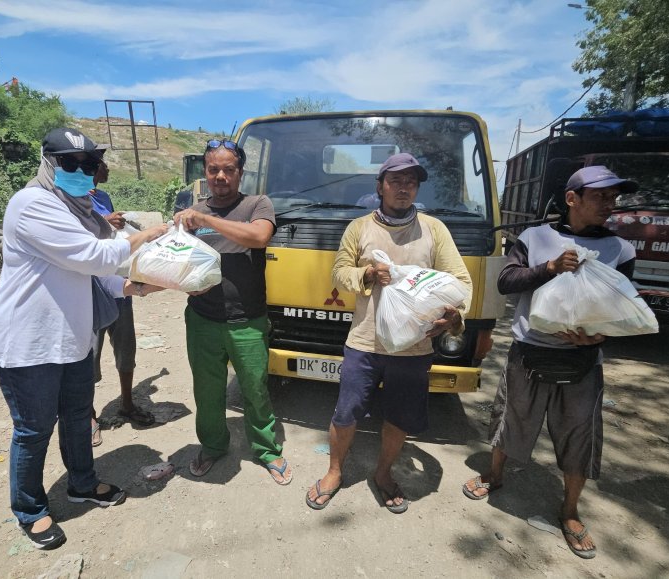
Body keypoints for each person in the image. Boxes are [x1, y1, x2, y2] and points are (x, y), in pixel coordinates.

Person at [0, 127, 166, 550]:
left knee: (75, 420)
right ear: (49, 163)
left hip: (73, 339)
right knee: (33, 430)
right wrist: (143, 237)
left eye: (87, 164)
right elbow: (92, 255)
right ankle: (30, 510)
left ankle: (81, 484)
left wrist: (154, 284)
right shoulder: (33, 204)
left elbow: (102, 276)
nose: (81, 171)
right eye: (71, 163)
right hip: (29, 344)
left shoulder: (80, 208)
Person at [462, 166, 638, 559]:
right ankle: (494, 474)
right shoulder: (536, 237)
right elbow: (507, 282)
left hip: (583, 361)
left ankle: (570, 511)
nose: (609, 204)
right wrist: (550, 268)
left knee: (580, 434)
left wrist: (601, 336)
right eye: (600, 196)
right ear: (572, 198)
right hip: (530, 350)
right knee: (511, 417)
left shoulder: (620, 250)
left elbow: (625, 307)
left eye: (613, 197)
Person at [306, 153, 472, 513]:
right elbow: (339, 273)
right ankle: (335, 471)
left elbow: (460, 281)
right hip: (365, 342)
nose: (403, 187)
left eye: (411, 181)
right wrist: (366, 275)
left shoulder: (434, 229)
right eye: (395, 181)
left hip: (415, 347)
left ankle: (383, 474)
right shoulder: (360, 228)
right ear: (380, 186)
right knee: (346, 413)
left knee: (398, 418)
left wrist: (456, 314)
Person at [173, 139, 292, 484]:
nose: (220, 176)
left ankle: (267, 449)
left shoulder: (257, 204)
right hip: (202, 318)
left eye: (228, 169)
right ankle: (212, 446)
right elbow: (178, 259)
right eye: (213, 169)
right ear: (205, 172)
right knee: (207, 390)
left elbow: (258, 238)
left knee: (255, 388)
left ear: (240, 173)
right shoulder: (193, 213)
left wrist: (207, 219)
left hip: (247, 320)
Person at [88, 160, 155, 447]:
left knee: (126, 345)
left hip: (117, 281)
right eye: (103, 165)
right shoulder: (66, 199)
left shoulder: (102, 197)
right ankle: (88, 416)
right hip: (88, 287)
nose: (108, 170)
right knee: (89, 352)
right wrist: (105, 223)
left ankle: (126, 403)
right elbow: (75, 240)